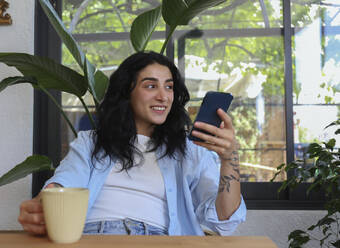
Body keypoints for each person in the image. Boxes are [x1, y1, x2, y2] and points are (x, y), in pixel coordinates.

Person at [18, 51, 246, 236]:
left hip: (157, 239)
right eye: (150, 86)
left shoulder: (191, 151)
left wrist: (230, 159)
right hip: (95, 236)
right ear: (127, 92)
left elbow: (225, 222)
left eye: (168, 86)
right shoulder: (91, 142)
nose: (163, 96)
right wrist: (43, 203)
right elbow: (64, 182)